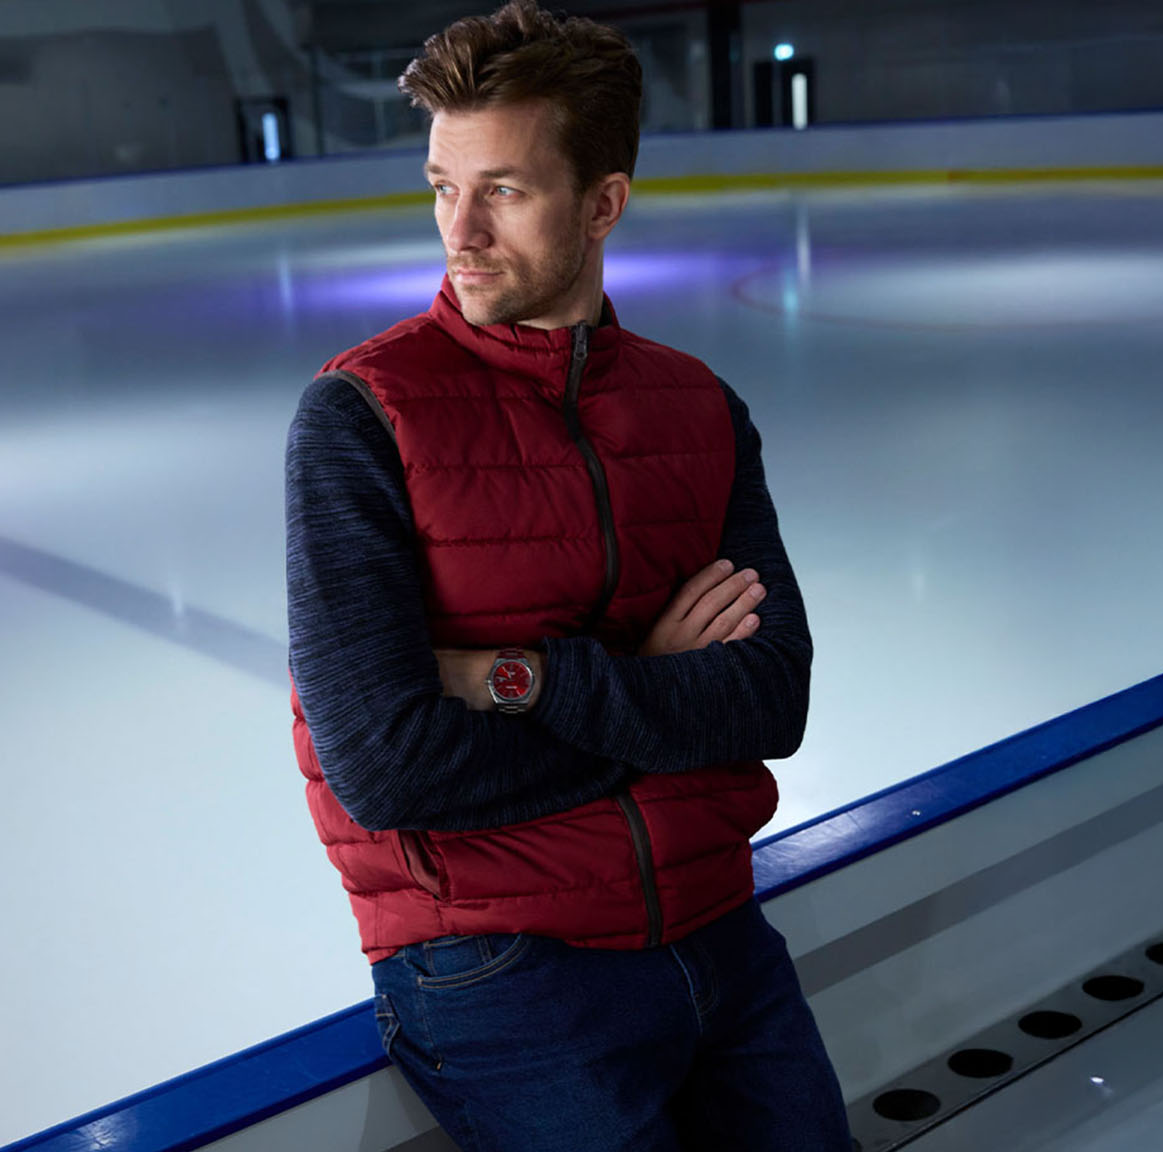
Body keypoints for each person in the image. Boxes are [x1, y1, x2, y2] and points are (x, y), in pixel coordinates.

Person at [283, 1, 851, 1147]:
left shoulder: (698, 409)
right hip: (500, 965)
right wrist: (651, 690)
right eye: (444, 186)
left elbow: (770, 697)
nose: (460, 229)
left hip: (718, 928)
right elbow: (387, 766)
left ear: (603, 203)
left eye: (503, 189)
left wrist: (529, 681)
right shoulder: (362, 418)